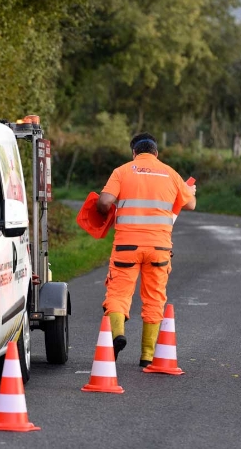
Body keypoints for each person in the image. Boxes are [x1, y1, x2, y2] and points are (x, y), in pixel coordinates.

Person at [96, 132, 196, 367]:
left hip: (126, 246)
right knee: (154, 299)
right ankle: (147, 355)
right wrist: (190, 192)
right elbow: (190, 204)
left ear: (134, 153)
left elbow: (104, 201)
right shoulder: (171, 173)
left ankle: (117, 335)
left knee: (118, 294)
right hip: (159, 248)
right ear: (156, 153)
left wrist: (104, 214)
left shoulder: (122, 171)